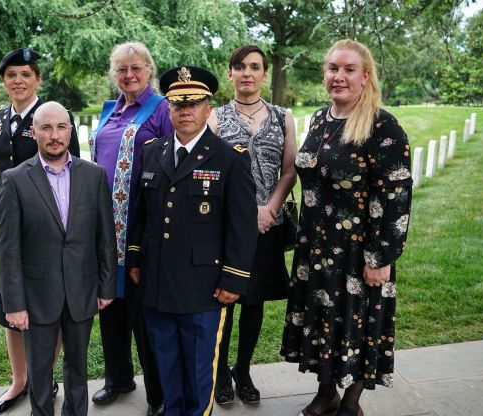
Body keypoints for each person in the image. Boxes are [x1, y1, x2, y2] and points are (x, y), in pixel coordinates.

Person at [280, 39, 412, 416]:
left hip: (359, 252)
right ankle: (326, 394)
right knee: (323, 321)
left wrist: (381, 257)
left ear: (365, 76)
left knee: (357, 324)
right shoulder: (321, 119)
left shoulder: (382, 125)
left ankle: (350, 402)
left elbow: (396, 198)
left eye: (348, 69)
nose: (338, 76)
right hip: (317, 248)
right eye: (332, 68)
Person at [126, 66, 258, 416]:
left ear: (208, 108)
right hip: (157, 283)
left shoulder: (229, 159)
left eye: (194, 103)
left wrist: (234, 278)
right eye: (177, 104)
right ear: (168, 108)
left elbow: (241, 226)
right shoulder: (152, 152)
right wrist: (136, 257)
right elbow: (140, 213)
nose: (185, 111)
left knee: (200, 373)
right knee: (167, 366)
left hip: (205, 287)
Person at [0, 101, 117, 416]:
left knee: (77, 364)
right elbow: (7, 250)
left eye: (61, 127)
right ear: (33, 132)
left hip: (82, 288)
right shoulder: (15, 179)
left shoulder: (93, 176)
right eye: (46, 128)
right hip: (37, 295)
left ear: (70, 131)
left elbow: (105, 237)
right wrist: (14, 303)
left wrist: (106, 287)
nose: (54, 135)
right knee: (39, 368)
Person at [0, 47, 80, 414]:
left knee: (47, 307)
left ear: (38, 79)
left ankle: (45, 376)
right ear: (4, 81)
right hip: (6, 229)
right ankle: (19, 381)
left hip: (45, 230)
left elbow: (73, 174)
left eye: (25, 74)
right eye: (11, 75)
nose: (18, 81)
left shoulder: (53, 118)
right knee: (11, 306)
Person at [206, 45, 296, 405]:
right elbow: (209, 172)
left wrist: (269, 207)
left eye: (254, 67)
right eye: (239, 66)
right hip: (227, 225)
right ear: (230, 73)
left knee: (254, 301)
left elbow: (289, 170)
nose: (247, 73)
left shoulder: (281, 116)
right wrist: (246, 213)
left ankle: (243, 369)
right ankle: (221, 371)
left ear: (264, 74)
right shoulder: (214, 117)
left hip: (268, 223)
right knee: (227, 298)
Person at [88, 42, 171, 416]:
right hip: (104, 229)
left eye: (135, 68)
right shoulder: (110, 111)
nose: (128, 76)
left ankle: (158, 394)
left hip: (141, 228)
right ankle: (118, 378)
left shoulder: (162, 110)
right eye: (121, 70)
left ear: (148, 70)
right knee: (110, 307)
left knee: (144, 317)